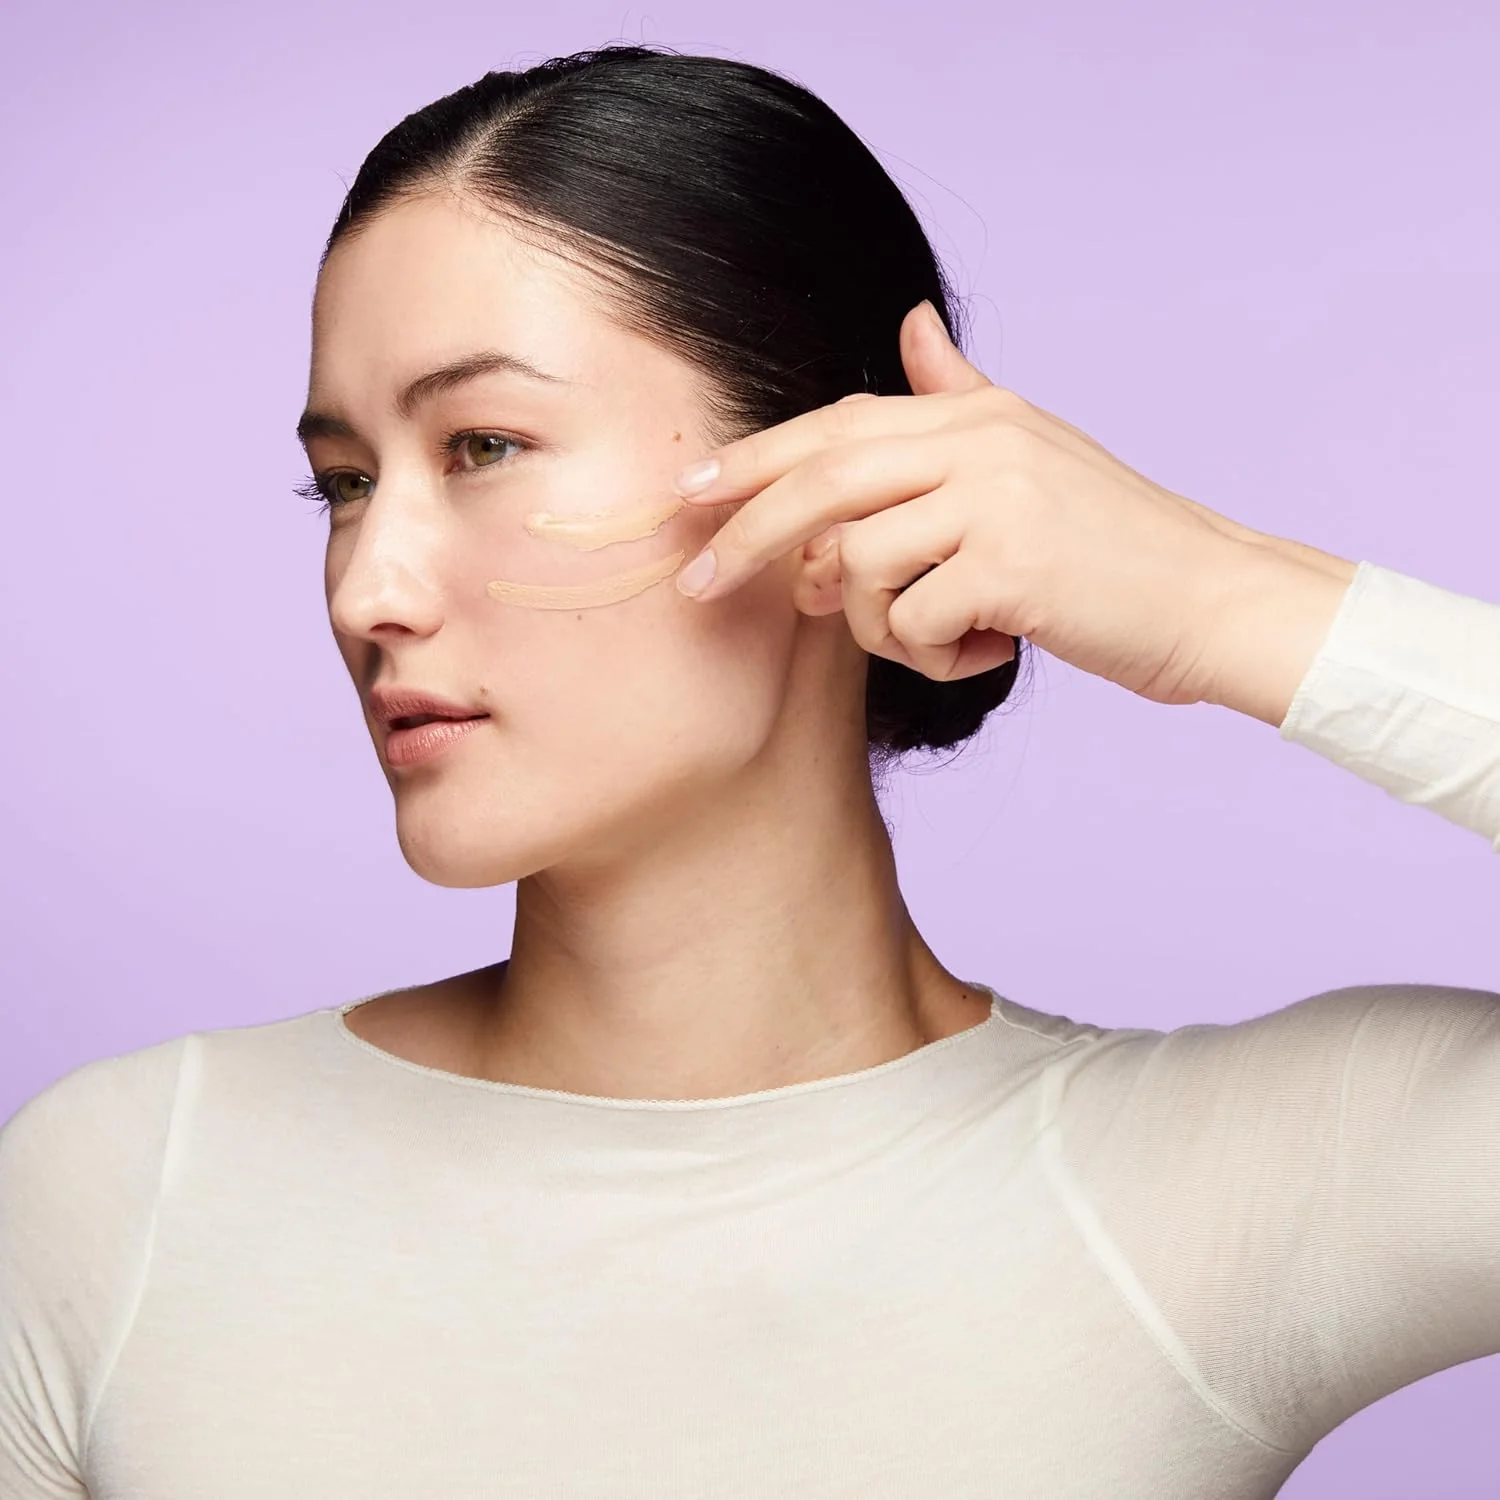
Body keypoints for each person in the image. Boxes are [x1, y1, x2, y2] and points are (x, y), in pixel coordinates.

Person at [1, 42, 1496, 1500]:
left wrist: (1226, 597)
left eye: (485, 446)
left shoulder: (1227, 1196)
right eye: (344, 482)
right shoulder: (131, 1191)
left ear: (835, 477)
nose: (366, 589)